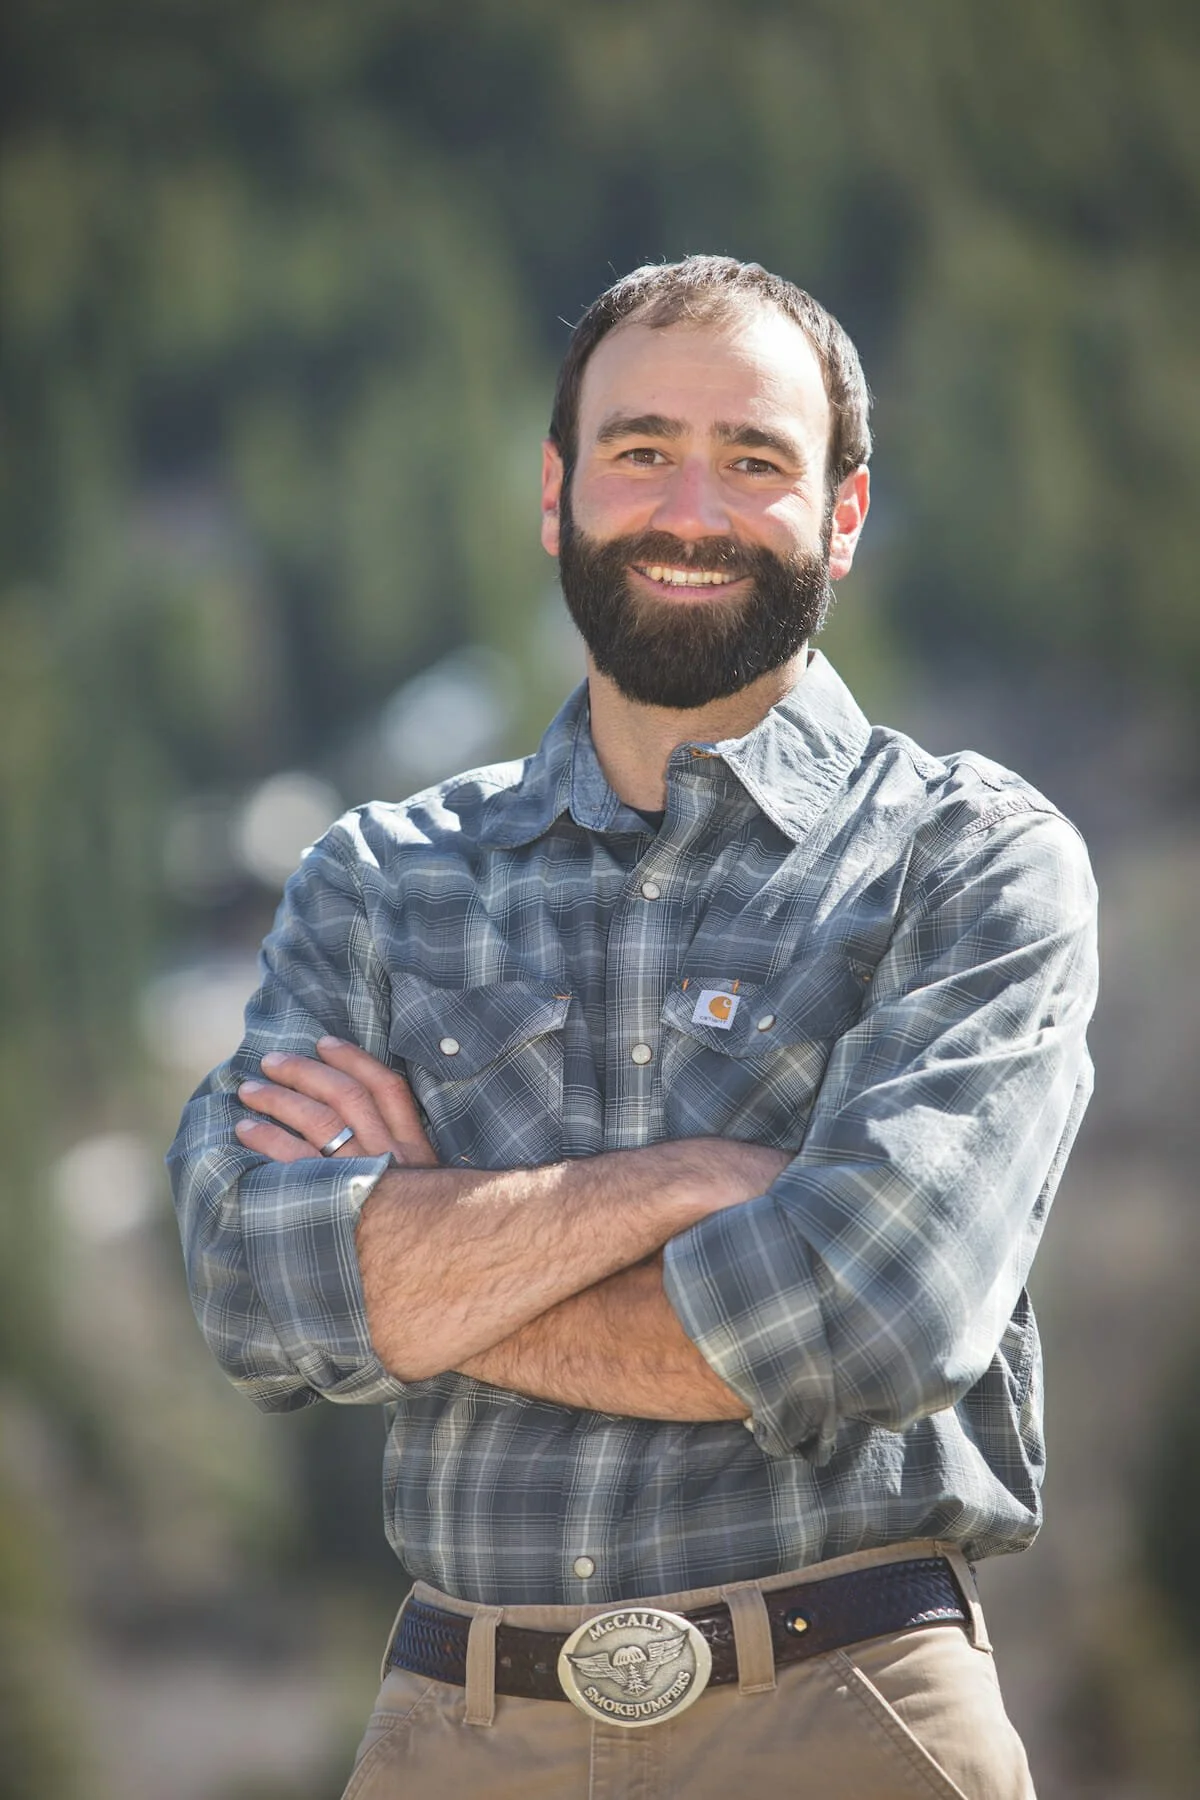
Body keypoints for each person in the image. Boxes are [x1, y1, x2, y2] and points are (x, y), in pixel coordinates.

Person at [168, 255, 1098, 1799]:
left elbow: (872, 1317)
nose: (692, 506)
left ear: (842, 517)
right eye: (641, 448)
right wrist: (680, 1190)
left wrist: (412, 1276)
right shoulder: (381, 880)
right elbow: (245, 1275)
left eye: (755, 460)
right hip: (454, 1735)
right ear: (557, 493)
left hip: (850, 1714)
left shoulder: (972, 865)